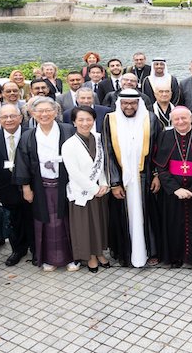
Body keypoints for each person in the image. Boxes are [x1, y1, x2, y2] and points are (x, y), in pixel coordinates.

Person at [13, 97, 78, 272]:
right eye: (39, 111)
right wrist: (26, 187)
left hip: (66, 183)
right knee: (46, 222)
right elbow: (22, 162)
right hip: (41, 185)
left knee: (67, 220)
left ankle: (72, 257)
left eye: (48, 110)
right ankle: (49, 259)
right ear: (32, 114)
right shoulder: (28, 135)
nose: (44, 114)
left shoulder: (68, 130)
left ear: (56, 112)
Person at [103, 89, 164, 268]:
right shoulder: (110, 120)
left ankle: (151, 251)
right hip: (122, 179)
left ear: (139, 103)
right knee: (123, 215)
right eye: (125, 103)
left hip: (145, 177)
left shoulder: (151, 119)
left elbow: (158, 150)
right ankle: (125, 253)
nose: (129, 106)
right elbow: (107, 151)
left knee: (149, 215)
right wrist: (114, 183)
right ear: (119, 103)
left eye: (133, 103)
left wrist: (156, 175)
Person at [153, 107, 192, 268]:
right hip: (173, 191)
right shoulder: (165, 136)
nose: (180, 122)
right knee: (173, 224)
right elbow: (161, 167)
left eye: (184, 118)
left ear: (191, 118)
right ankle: (175, 257)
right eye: (176, 119)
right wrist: (175, 189)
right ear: (171, 120)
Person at [62, 107, 111, 273]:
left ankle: (100, 252)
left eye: (89, 119)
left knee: (99, 224)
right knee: (86, 226)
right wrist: (94, 188)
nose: (85, 123)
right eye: (81, 120)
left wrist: (104, 184)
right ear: (74, 122)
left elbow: (103, 164)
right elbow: (73, 172)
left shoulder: (98, 138)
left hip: (100, 190)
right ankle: (90, 256)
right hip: (82, 192)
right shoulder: (69, 144)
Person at [0, 104, 34, 267]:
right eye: (5, 117)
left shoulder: (31, 134)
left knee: (32, 218)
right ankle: (18, 250)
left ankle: (36, 248)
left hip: (31, 186)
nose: (9, 120)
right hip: (6, 188)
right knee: (13, 220)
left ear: (20, 118)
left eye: (13, 116)